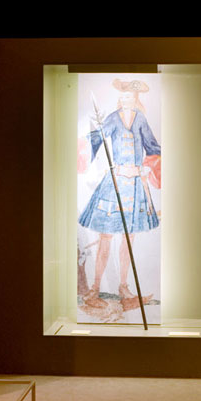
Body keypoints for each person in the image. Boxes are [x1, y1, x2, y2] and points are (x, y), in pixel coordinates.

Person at [78, 78, 162, 311]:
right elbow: (97, 138)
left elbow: (153, 147)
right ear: (120, 98)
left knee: (128, 238)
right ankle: (95, 289)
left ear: (136, 99)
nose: (127, 100)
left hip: (135, 185)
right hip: (114, 184)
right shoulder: (113, 118)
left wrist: (147, 168)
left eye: (131, 97)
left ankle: (124, 288)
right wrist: (86, 143)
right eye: (124, 96)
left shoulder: (141, 119)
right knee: (106, 238)